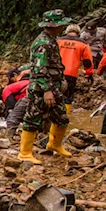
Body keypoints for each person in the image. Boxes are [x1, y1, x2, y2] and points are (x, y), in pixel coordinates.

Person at [19, 10, 74, 165]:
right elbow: (39, 69)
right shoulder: (42, 43)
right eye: (61, 25)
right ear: (54, 26)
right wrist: (47, 90)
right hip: (41, 89)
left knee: (61, 117)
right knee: (32, 118)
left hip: (53, 87)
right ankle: (25, 153)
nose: (63, 28)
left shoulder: (51, 40)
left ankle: (55, 144)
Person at [58, 24, 94, 113]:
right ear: (78, 32)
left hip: (57, 72)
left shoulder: (58, 41)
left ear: (67, 31)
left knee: (55, 95)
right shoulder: (83, 44)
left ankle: (51, 121)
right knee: (68, 96)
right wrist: (89, 73)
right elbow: (87, 61)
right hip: (71, 73)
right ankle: (65, 118)